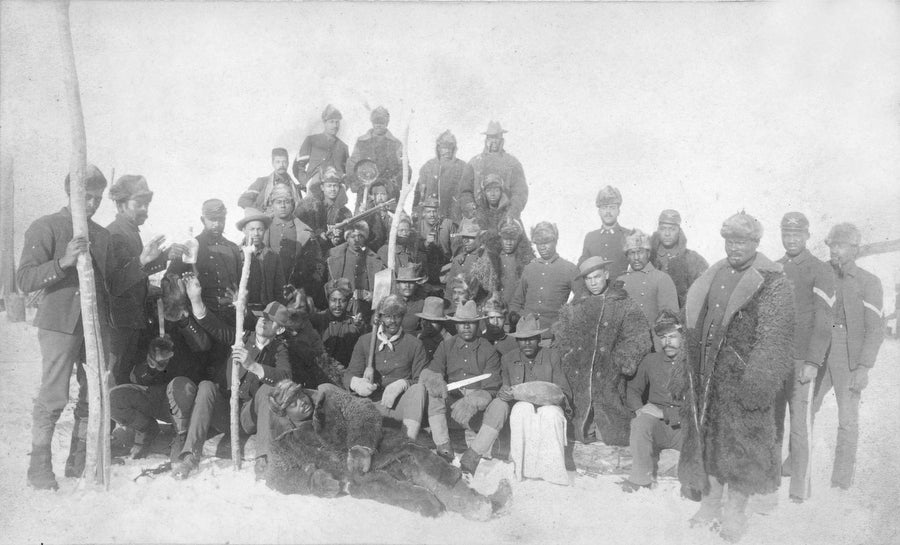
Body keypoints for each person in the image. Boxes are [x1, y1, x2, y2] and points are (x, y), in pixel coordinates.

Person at [676, 212, 794, 542]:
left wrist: (757, 382)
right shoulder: (715, 274)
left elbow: (776, 337)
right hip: (707, 372)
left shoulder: (772, 281)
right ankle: (711, 503)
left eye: (741, 241)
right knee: (710, 438)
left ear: (755, 243)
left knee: (742, 444)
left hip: (743, 378)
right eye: (729, 241)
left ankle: (735, 511)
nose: (734, 247)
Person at [17, 166, 126, 489]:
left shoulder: (103, 236)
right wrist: (63, 262)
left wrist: (147, 261)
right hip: (59, 325)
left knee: (94, 393)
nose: (91, 205)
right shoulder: (46, 226)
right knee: (54, 395)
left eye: (97, 199)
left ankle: (80, 462)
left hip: (94, 327)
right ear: (70, 194)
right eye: (85, 198)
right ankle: (39, 469)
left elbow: (110, 284)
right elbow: (24, 280)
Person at [264, 381, 512, 520]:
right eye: (293, 404)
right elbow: (278, 477)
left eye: (300, 396)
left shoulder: (327, 398)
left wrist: (361, 446)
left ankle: (477, 504)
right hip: (361, 481)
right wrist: (312, 482)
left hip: (386, 451)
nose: (302, 403)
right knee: (423, 504)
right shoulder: (285, 442)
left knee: (428, 466)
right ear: (284, 413)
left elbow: (363, 410)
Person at [172, 301, 292, 479]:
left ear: (280, 330)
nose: (263, 321)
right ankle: (190, 456)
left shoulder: (279, 350)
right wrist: (196, 300)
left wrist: (253, 366)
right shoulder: (241, 337)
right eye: (263, 316)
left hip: (248, 417)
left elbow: (286, 377)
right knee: (206, 386)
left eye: (270, 320)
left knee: (268, 390)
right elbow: (215, 327)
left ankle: (263, 459)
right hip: (224, 411)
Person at [811, 223, 884, 490]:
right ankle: (799, 468)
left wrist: (864, 366)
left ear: (854, 249)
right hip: (819, 351)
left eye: (841, 246)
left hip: (849, 354)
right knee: (806, 408)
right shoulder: (820, 275)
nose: (835, 251)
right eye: (832, 246)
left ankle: (841, 481)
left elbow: (875, 328)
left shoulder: (869, 282)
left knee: (847, 419)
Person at [554, 256, 651, 445]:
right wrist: (569, 356)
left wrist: (620, 360)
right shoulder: (576, 306)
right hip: (580, 373)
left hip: (610, 373)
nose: (593, 282)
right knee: (579, 420)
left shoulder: (623, 303)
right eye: (588, 279)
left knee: (611, 424)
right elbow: (562, 334)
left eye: (597, 277)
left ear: (606, 275)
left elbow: (638, 335)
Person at [774, 212, 833, 503]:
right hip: (776, 360)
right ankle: (771, 479)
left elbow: (825, 322)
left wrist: (812, 362)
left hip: (801, 362)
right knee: (774, 423)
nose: (791, 239)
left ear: (807, 235)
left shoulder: (819, 269)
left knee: (800, 426)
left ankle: (799, 489)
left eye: (797, 234)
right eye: (786, 233)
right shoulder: (776, 267)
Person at [106, 175, 180, 385]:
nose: (144, 209)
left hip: (131, 322)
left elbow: (137, 274)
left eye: (146, 204)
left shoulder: (130, 232)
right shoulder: (114, 235)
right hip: (118, 325)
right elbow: (116, 284)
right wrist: (147, 261)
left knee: (124, 379)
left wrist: (164, 258)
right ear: (121, 205)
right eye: (138, 204)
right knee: (114, 379)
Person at [421, 300, 506, 474]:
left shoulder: (488, 350)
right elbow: (434, 370)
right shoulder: (446, 346)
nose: (466, 327)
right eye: (461, 323)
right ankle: (444, 449)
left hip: (477, 415)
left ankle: (472, 457)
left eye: (471, 323)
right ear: (456, 324)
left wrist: (474, 400)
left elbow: (492, 386)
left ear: (477, 324)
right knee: (434, 393)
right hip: (451, 409)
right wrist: (437, 380)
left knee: (501, 405)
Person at [497, 314, 572, 486]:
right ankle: (520, 470)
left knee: (550, 414)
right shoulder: (508, 359)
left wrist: (551, 398)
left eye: (531, 339)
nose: (527, 343)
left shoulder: (552, 356)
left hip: (549, 404)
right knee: (521, 410)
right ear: (517, 341)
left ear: (538, 339)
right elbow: (505, 387)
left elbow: (563, 390)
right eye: (522, 340)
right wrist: (504, 393)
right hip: (523, 406)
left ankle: (554, 474)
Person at [344, 295, 430, 442]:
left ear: (403, 317)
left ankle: (406, 443)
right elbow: (349, 374)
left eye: (397, 316)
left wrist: (404, 383)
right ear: (380, 317)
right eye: (388, 316)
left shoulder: (414, 345)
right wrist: (356, 383)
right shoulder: (365, 341)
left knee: (419, 389)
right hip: (369, 407)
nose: (393, 321)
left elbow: (420, 381)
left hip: (398, 409)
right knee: (325, 389)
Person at [620, 310, 686, 492]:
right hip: (658, 427)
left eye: (672, 336)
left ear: (683, 336)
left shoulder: (693, 363)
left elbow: (701, 405)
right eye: (663, 337)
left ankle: (693, 483)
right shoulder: (651, 360)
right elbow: (633, 389)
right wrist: (639, 409)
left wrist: (665, 413)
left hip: (685, 427)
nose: (667, 342)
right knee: (640, 424)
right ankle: (640, 479)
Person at [167, 199, 242, 315]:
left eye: (221, 219)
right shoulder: (190, 246)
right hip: (199, 316)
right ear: (203, 220)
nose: (216, 224)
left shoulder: (233, 249)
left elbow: (240, 283)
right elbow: (170, 278)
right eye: (212, 220)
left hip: (229, 315)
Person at [509, 222, 579, 339]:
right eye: (539, 243)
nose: (542, 247)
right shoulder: (529, 268)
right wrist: (515, 317)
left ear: (555, 241)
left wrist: (566, 318)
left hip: (552, 334)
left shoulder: (569, 268)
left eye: (546, 242)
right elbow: (517, 300)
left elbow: (581, 297)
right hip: (527, 333)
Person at [263, 184, 326, 309]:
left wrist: (303, 291)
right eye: (278, 202)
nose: (282, 205)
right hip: (267, 294)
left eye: (287, 202)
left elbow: (318, 266)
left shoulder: (306, 233)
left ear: (293, 204)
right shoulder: (261, 229)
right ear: (272, 204)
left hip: (296, 296)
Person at [346, 106, 408, 208]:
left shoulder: (396, 144)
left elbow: (404, 168)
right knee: (362, 220)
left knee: (390, 220)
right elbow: (352, 164)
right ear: (372, 122)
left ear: (387, 123)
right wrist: (357, 183)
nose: (378, 124)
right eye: (376, 121)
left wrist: (394, 184)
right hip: (366, 190)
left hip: (388, 192)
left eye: (382, 122)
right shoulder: (362, 142)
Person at [464, 121, 528, 219]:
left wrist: (512, 211)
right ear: (486, 140)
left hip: (506, 214)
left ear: (501, 140)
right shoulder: (474, 163)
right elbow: (465, 191)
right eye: (490, 137)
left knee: (513, 232)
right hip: (479, 215)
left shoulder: (512, 163)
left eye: (497, 137)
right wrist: (471, 208)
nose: (494, 141)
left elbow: (520, 192)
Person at [326, 221, 386, 321]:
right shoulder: (334, 256)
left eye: (360, 236)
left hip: (365, 312)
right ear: (347, 238)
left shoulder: (374, 259)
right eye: (353, 236)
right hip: (340, 310)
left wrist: (373, 296)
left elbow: (382, 291)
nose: (356, 240)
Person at [650, 209, 709, 309]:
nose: (667, 233)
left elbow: (701, 292)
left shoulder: (692, 259)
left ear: (679, 231)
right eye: (663, 228)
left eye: (672, 229)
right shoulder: (648, 257)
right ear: (658, 230)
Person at [619, 229, 678, 328]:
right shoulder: (621, 281)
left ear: (648, 254)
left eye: (640, 252)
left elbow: (670, 318)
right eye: (632, 253)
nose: (636, 257)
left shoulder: (662, 278)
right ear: (627, 256)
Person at [236, 207, 286, 318]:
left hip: (265, 312)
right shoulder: (236, 254)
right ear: (244, 230)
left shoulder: (273, 257)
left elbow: (279, 292)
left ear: (264, 231)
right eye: (252, 229)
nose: (256, 233)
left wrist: (271, 316)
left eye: (260, 229)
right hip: (242, 312)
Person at [415, 130, 474, 222]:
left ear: (454, 149)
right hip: (431, 214)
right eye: (443, 147)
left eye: (450, 147)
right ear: (438, 148)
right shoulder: (428, 166)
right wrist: (415, 211)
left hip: (453, 213)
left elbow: (467, 192)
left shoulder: (463, 167)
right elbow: (419, 192)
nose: (447, 151)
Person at [579, 185, 631, 281]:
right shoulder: (591, 237)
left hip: (622, 291)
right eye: (604, 208)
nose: (608, 212)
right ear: (599, 211)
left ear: (618, 211)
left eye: (612, 207)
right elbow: (582, 266)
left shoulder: (628, 235)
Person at [310, 278, 366, 368]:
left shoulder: (353, 323)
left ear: (348, 301)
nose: (337, 305)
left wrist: (359, 327)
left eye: (342, 300)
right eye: (333, 300)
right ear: (328, 300)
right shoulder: (318, 319)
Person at [292, 104, 350, 189]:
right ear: (324, 122)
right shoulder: (311, 140)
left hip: (335, 191)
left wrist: (344, 187)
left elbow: (348, 172)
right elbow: (298, 166)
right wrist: (307, 183)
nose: (335, 126)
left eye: (337, 122)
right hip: (315, 188)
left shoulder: (343, 147)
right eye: (331, 122)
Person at [443, 218, 498, 306]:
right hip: (457, 307)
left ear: (479, 239)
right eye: (464, 237)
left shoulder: (486, 259)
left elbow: (490, 291)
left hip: (477, 308)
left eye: (471, 237)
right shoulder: (458, 260)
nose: (466, 241)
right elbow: (449, 290)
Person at [295, 166, 353, 246]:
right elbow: (298, 224)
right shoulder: (311, 208)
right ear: (322, 187)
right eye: (329, 186)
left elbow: (349, 235)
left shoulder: (345, 212)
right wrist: (316, 232)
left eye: (335, 186)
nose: (332, 189)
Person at [239, 148, 303, 210]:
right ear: (273, 163)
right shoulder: (262, 182)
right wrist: (261, 211)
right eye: (278, 162)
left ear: (288, 163)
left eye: (284, 162)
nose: (281, 165)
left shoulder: (294, 188)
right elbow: (243, 200)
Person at [417, 195, 455, 289]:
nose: (432, 215)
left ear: (439, 212)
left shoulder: (448, 224)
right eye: (428, 212)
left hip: (446, 264)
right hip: (427, 267)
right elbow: (416, 248)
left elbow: (456, 244)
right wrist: (426, 243)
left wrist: (455, 255)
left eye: (434, 211)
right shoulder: (419, 226)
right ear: (423, 213)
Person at [495, 218, 534, 307]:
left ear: (518, 240)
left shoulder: (525, 261)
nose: (508, 243)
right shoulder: (494, 258)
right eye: (505, 239)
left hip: (516, 310)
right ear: (500, 238)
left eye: (512, 239)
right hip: (496, 311)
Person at [393, 264, 428, 335]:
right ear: (397, 285)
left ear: (415, 285)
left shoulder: (421, 304)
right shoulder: (389, 302)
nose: (407, 286)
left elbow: (425, 329)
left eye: (411, 283)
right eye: (403, 282)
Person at [415, 296, 453, 361]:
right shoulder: (420, 336)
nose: (428, 325)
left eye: (433, 321)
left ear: (441, 322)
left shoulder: (449, 341)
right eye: (425, 320)